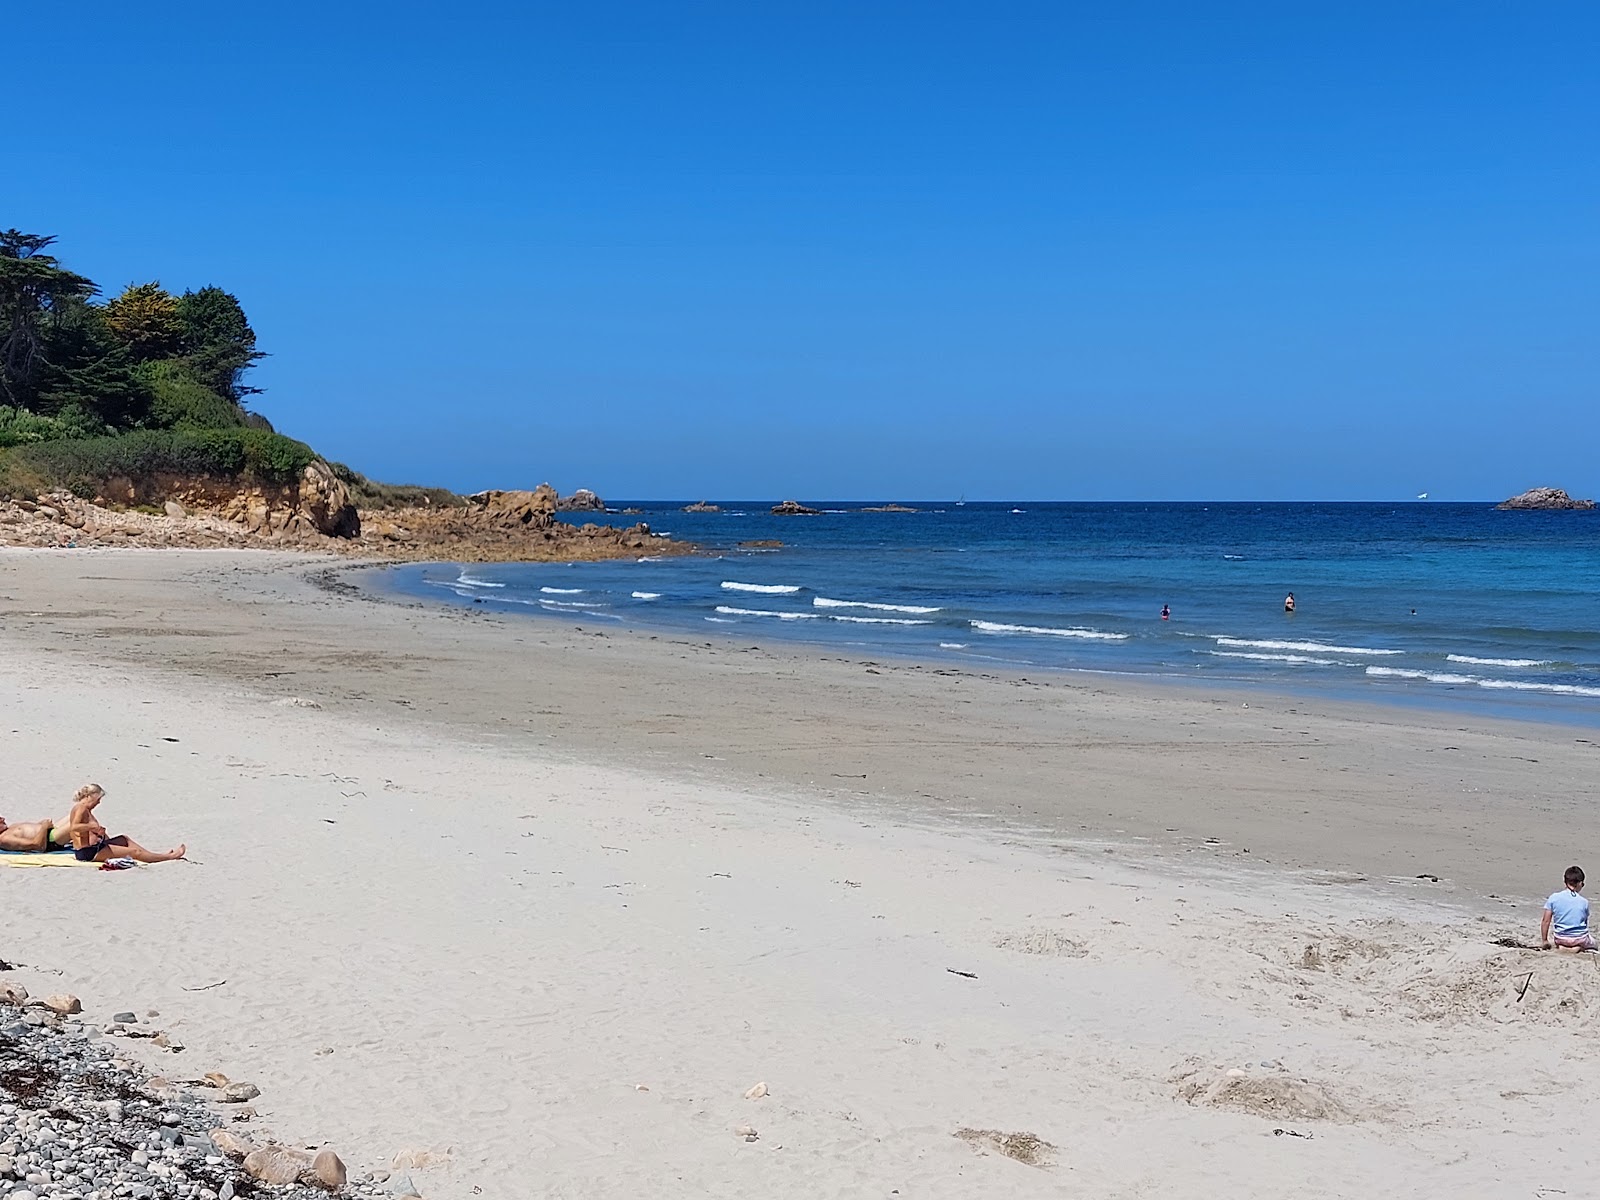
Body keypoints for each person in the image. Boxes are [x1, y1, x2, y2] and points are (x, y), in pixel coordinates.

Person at [54, 784, 186, 865]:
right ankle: (167, 857)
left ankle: (152, 855)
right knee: (135, 852)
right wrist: (92, 827)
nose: (98, 803)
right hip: (87, 853)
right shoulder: (81, 809)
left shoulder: (84, 809)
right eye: (98, 799)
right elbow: (74, 827)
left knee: (124, 839)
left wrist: (98, 833)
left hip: (93, 847)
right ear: (89, 796)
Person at [1542, 866, 1594, 950]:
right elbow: (1584, 922)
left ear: (1565, 881)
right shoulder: (1584, 902)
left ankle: (1564, 946)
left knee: (1560, 937)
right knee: (1594, 944)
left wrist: (1544, 940)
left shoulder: (1554, 898)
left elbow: (1546, 921)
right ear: (1579, 883)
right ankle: (1578, 947)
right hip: (1580, 938)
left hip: (1561, 938)